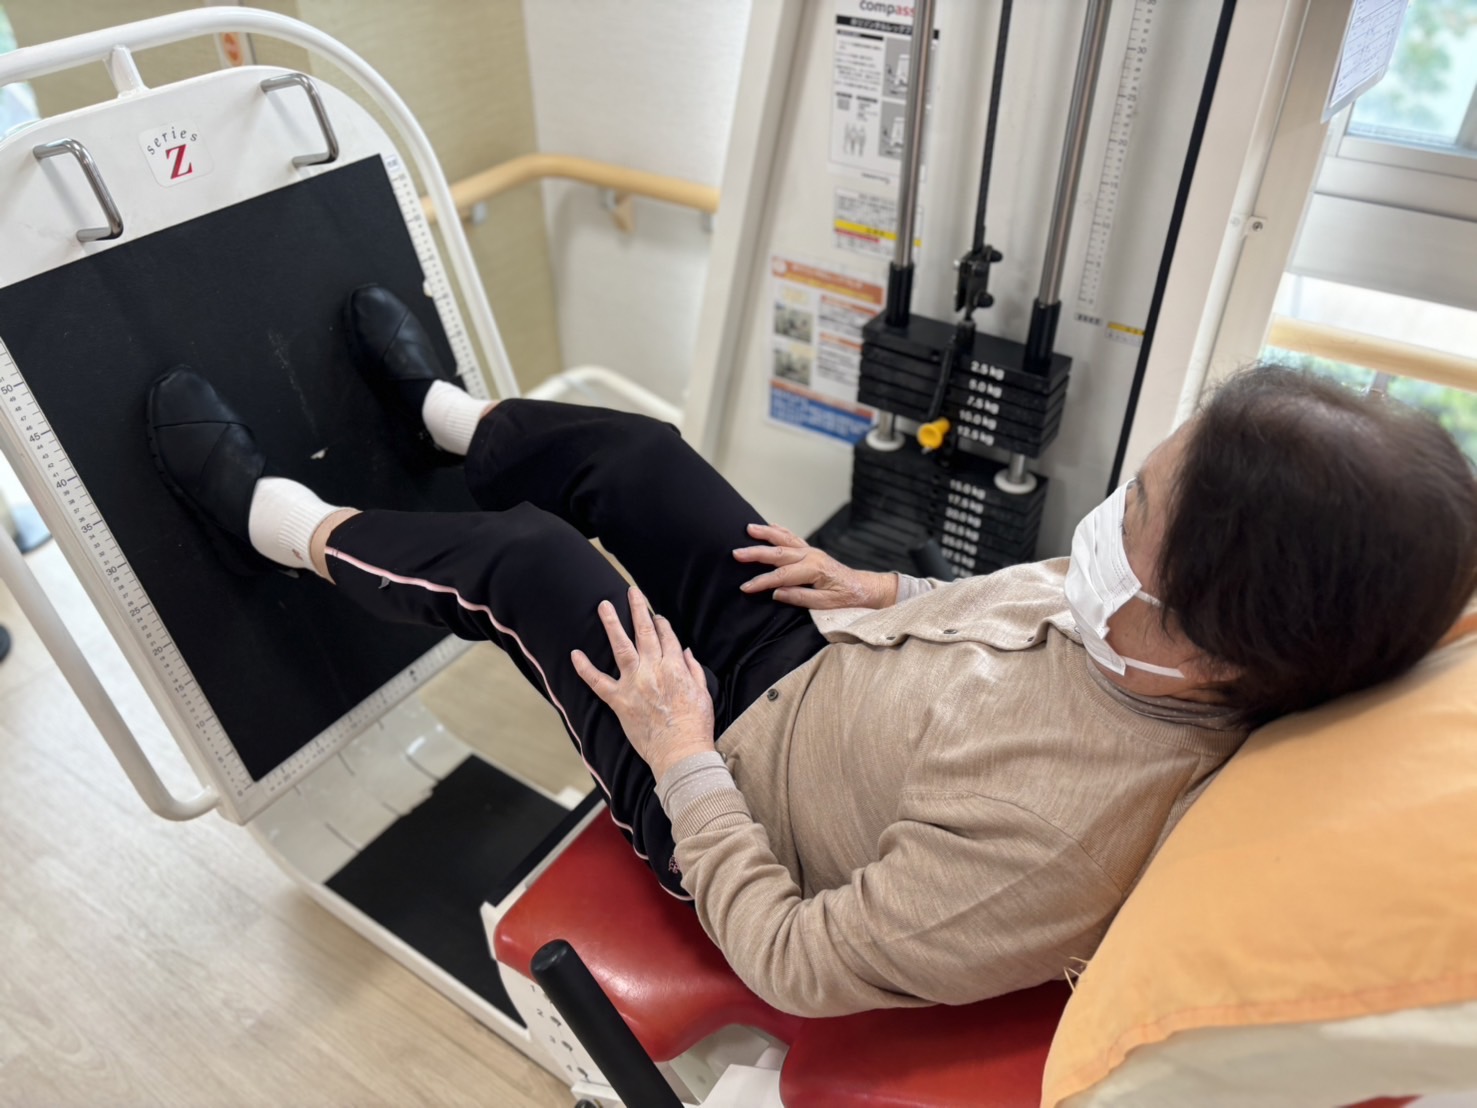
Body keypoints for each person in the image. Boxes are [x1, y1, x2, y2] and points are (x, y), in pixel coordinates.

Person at [147, 286, 1477, 1018]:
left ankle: (282, 526)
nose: (1103, 524)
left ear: (1215, 652)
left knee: (534, 568)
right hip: (818, 653)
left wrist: (681, 756)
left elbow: (796, 962)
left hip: (725, 787)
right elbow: (1028, 603)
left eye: (1134, 519)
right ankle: (448, 418)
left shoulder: (1057, 843)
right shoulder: (1151, 633)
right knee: (643, 461)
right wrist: (882, 588)